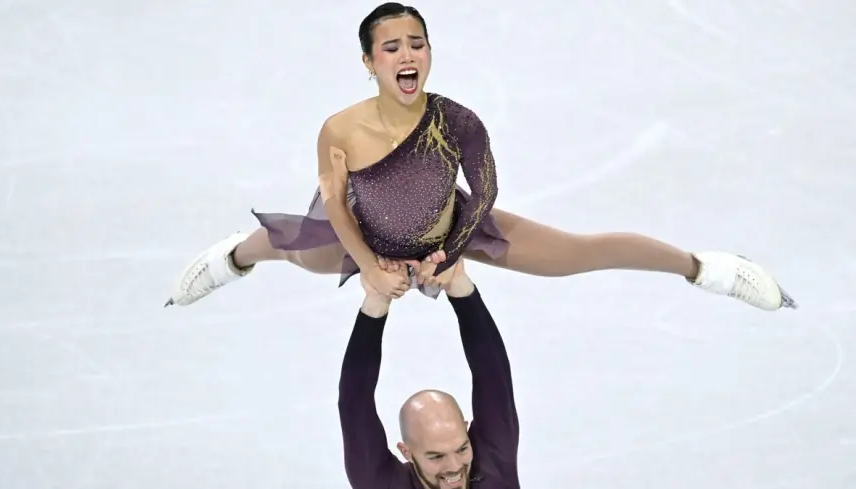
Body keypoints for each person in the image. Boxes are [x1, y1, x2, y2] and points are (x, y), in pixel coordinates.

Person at [164, 2, 796, 312]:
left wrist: (450, 251)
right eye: (391, 47)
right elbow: (334, 202)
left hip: (449, 229)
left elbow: (486, 192)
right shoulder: (340, 128)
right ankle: (232, 256)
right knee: (292, 249)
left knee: (578, 254)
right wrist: (374, 268)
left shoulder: (458, 121)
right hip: (354, 231)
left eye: (417, 43)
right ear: (369, 61)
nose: (407, 55)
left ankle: (706, 267)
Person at [338, 258, 519, 488]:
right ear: (407, 452)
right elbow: (355, 404)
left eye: (462, 449)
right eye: (436, 456)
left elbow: (494, 379)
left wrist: (458, 283)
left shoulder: (491, 463)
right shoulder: (383, 484)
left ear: (466, 432)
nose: (454, 466)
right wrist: (377, 300)